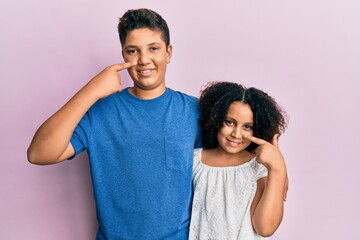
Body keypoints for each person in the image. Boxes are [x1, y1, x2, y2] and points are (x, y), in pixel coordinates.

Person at [27, 8, 201, 239]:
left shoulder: (194, 110)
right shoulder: (100, 111)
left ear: (168, 52)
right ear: (124, 55)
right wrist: (91, 90)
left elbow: (236, 156)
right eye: (133, 51)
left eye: (154, 48)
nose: (144, 60)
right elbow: (39, 153)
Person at [189, 81, 288, 239]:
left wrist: (278, 168)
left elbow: (265, 228)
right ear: (215, 119)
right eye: (230, 122)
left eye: (247, 127)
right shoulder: (194, 162)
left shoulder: (258, 167)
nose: (236, 134)